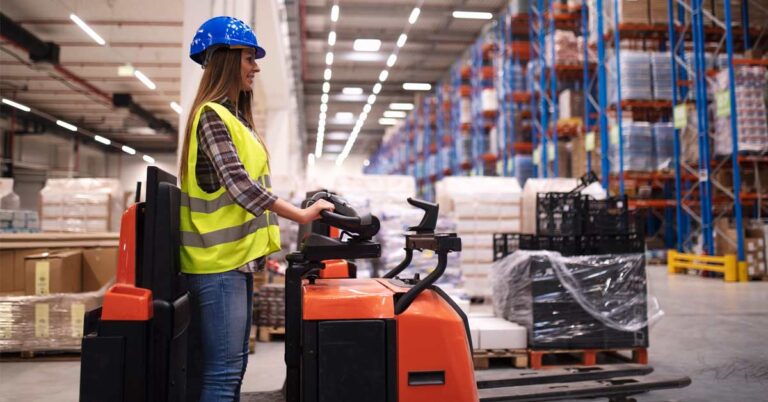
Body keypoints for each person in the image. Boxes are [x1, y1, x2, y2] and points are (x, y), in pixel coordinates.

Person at [179, 16, 334, 402]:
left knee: (233, 370)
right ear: (226, 60)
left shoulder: (236, 120)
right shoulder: (211, 116)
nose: (256, 67)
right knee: (223, 374)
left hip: (236, 264)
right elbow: (240, 187)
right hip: (216, 266)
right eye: (249, 57)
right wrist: (300, 215)